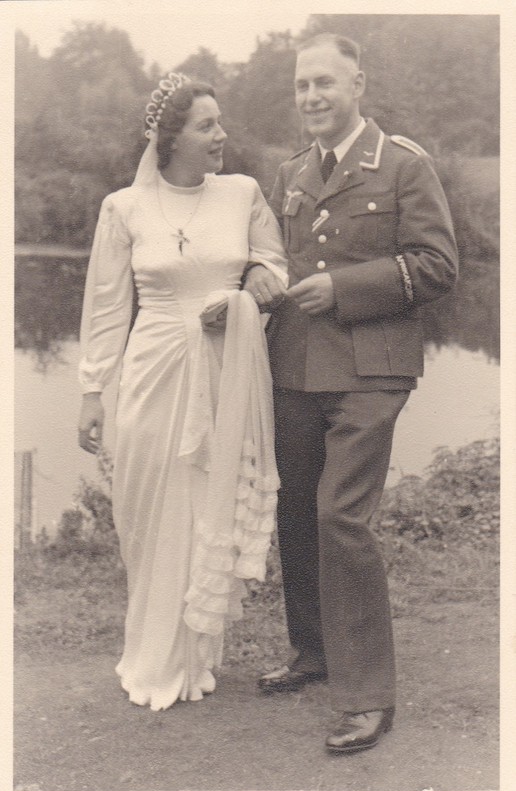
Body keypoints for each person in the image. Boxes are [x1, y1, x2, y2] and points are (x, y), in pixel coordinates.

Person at [244, 33, 458, 753]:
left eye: (325, 83)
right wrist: (258, 277)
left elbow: (437, 266)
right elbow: (275, 258)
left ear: (358, 84)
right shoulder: (292, 171)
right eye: (302, 85)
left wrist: (343, 287)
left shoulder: (402, 165)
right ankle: (314, 652)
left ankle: (367, 697)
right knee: (297, 510)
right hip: (296, 364)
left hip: (372, 368)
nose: (311, 96)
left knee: (341, 515)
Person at [78, 73, 288, 711]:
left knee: (203, 509)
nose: (222, 135)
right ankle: (151, 652)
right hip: (152, 371)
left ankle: (192, 658)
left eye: (220, 122)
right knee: (143, 511)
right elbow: (108, 306)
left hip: (223, 372)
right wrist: (92, 391)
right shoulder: (124, 208)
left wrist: (251, 285)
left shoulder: (243, 194)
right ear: (170, 140)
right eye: (206, 126)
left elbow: (273, 264)